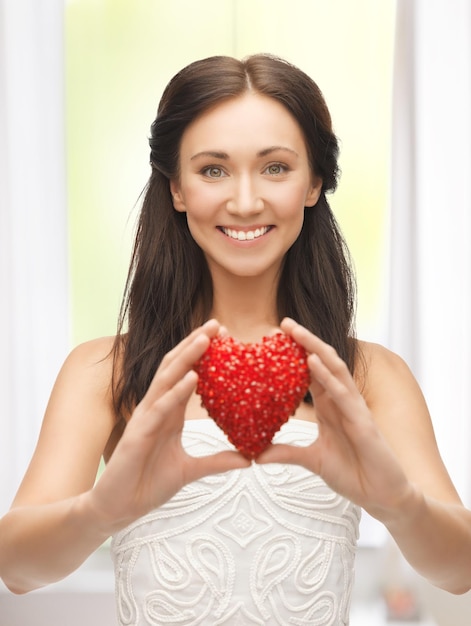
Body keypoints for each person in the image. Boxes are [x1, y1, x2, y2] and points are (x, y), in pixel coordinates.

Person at [0, 54, 470, 625]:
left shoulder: (367, 376)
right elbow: (17, 570)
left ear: (315, 183)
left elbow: (458, 570)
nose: (245, 201)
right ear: (176, 187)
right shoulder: (106, 370)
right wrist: (100, 510)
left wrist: (399, 504)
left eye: (275, 168)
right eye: (213, 170)